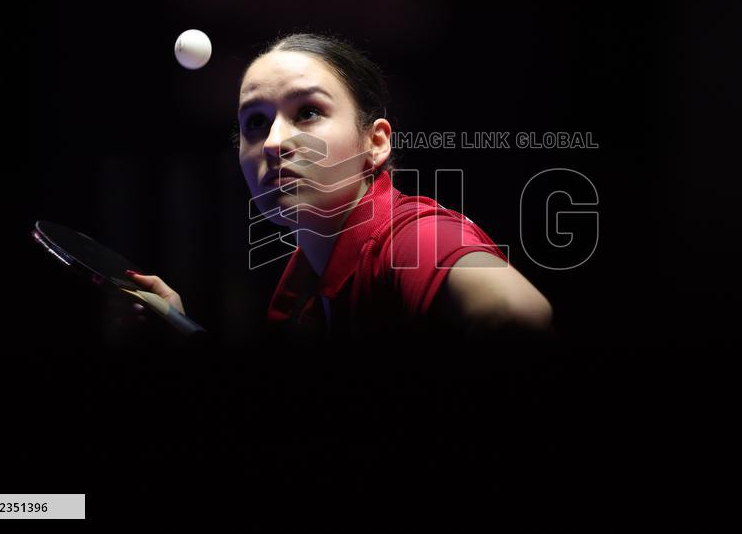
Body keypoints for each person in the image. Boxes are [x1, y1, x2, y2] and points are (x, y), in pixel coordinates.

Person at [127, 32, 554, 343]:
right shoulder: (300, 291)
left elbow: (518, 314)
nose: (274, 143)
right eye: (255, 122)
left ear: (375, 142)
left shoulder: (410, 237)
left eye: (308, 112)